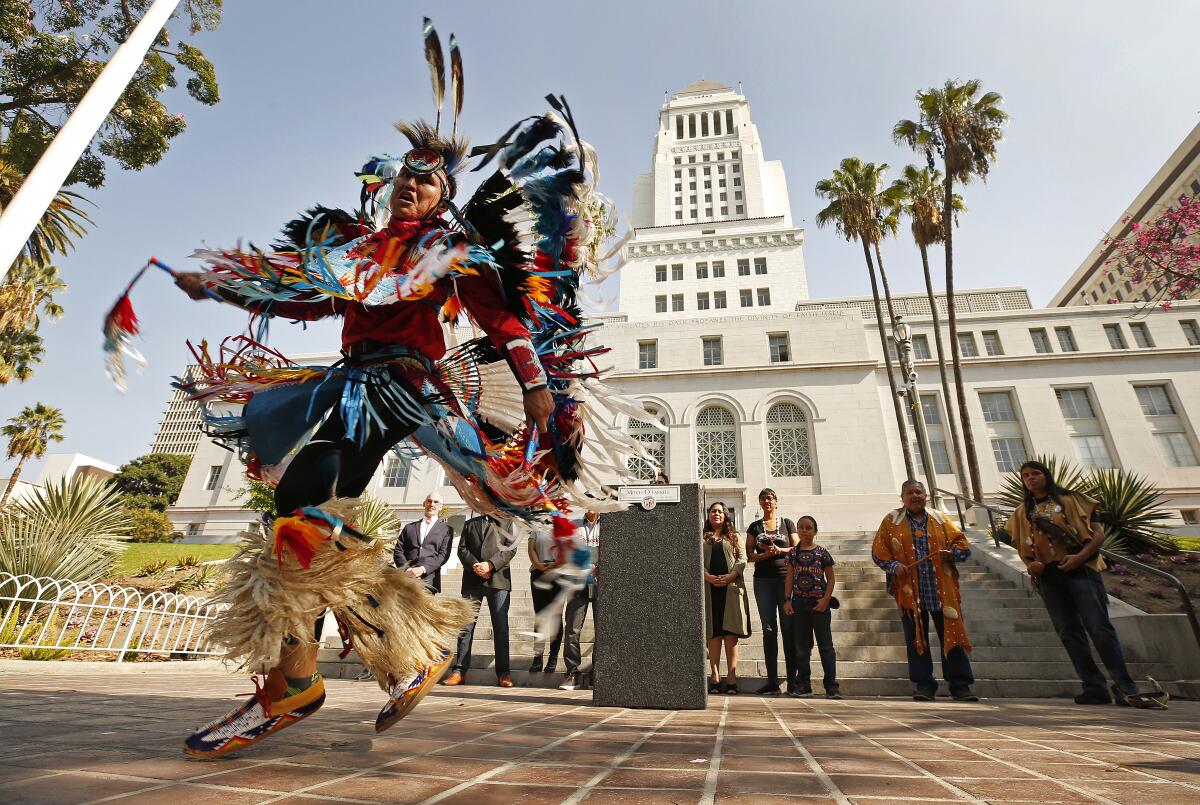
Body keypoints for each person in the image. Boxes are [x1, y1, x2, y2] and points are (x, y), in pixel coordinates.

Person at [170, 20, 631, 759]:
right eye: (407, 175)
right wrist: (219, 288)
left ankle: (299, 682)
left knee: (304, 507)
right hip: (346, 382)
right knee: (303, 523)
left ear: (442, 196)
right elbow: (305, 301)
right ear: (388, 184)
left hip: (400, 387)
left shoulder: (446, 254)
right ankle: (379, 656)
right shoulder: (355, 252)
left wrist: (538, 387)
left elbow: (502, 319)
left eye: (430, 179)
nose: (413, 184)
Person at [1009, 460, 1165, 709]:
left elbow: (1097, 533)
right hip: (1050, 576)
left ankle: (1125, 685)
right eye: (1026, 475)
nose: (1031, 478)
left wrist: (1080, 557)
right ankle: (1093, 686)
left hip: (1081, 569)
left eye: (1035, 473)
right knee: (1068, 631)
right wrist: (1031, 565)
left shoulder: (1074, 500)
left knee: (1099, 627)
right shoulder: (1021, 511)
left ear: (1046, 475)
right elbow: (1022, 546)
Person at [872, 480, 978, 702]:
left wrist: (951, 554)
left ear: (926, 495)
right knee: (915, 638)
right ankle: (924, 684)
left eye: (918, 492)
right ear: (902, 497)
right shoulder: (891, 520)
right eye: (909, 493)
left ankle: (959, 684)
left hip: (941, 589)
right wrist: (894, 566)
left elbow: (962, 545)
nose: (915, 496)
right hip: (910, 591)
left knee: (952, 634)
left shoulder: (941, 519)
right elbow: (880, 552)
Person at [443, 514, 517, 687]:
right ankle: (459, 672)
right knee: (466, 627)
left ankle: (504, 673)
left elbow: (511, 549)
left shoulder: (508, 524)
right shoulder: (470, 524)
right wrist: (476, 565)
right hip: (472, 579)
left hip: (498, 580)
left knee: (501, 627)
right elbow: (462, 549)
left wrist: (490, 564)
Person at [745, 488, 799, 695]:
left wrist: (780, 551)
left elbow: (795, 548)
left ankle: (793, 680)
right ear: (759, 503)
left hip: (785, 579)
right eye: (763, 498)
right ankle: (772, 680)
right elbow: (749, 555)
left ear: (776, 501)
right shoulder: (755, 526)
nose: (767, 501)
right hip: (763, 581)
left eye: (770, 498)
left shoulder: (787, 523)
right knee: (769, 631)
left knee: (788, 629)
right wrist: (765, 554)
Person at [783, 516, 839, 698]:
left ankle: (831, 686)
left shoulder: (822, 553)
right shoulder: (792, 554)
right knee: (802, 646)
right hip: (799, 603)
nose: (804, 530)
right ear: (797, 530)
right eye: (801, 527)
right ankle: (804, 685)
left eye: (809, 527)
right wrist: (787, 599)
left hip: (819, 604)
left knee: (826, 646)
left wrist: (825, 599)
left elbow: (830, 578)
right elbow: (789, 577)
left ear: (815, 531)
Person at [703, 502, 750, 695]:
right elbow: (694, 559)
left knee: (730, 634)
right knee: (714, 635)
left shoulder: (734, 536)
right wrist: (706, 576)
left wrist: (731, 576)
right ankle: (715, 676)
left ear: (726, 515)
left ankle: (731, 678)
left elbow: (742, 558)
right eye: (713, 511)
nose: (716, 514)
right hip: (710, 589)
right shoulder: (701, 537)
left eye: (720, 511)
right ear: (708, 516)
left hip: (730, 589)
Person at [560, 510, 600, 690]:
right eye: (587, 499)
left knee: (603, 631)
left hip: (602, 582)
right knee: (572, 629)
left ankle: (597, 673)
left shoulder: (609, 525)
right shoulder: (574, 524)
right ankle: (572, 673)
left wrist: (596, 566)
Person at [395, 494, 454, 593]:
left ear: (440, 507)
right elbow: (398, 551)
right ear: (424, 504)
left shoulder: (446, 530)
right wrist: (408, 570)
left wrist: (422, 569)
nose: (432, 504)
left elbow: (443, 555)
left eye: (436, 502)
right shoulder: (409, 527)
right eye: (429, 501)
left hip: (429, 581)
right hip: (406, 579)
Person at [528, 526, 564, 674]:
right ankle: (537, 658)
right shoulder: (536, 527)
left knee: (556, 617)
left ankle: (553, 657)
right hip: (538, 573)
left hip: (558, 574)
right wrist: (538, 565)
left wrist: (553, 565)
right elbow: (531, 549)